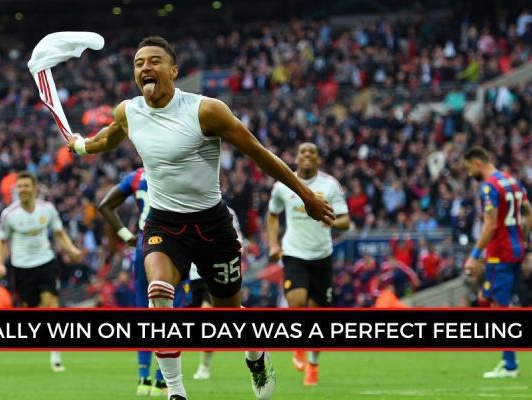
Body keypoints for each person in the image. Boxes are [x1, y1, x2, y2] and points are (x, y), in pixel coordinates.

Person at [68, 36, 334, 400]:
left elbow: (257, 152)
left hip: (212, 225)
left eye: (155, 61)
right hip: (163, 224)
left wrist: (307, 195)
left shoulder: (205, 111)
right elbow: (108, 139)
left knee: (228, 311)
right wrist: (81, 145)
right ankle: (176, 392)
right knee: (158, 293)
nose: (145, 67)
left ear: (173, 71)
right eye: (139, 62)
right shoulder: (128, 112)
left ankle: (256, 356)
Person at [97, 166, 187, 396]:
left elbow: (105, 205)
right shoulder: (177, 169)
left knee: (143, 308)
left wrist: (127, 237)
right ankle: (162, 380)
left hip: (143, 246)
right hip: (171, 245)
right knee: (172, 310)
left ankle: (143, 378)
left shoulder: (136, 176)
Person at [266, 142, 350, 386]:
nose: (306, 156)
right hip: (294, 253)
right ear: (296, 157)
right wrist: (273, 244)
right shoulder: (283, 184)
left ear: (318, 159)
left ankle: (313, 365)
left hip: (322, 256)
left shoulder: (330, 185)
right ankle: (298, 348)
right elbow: (272, 214)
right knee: (296, 301)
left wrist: (332, 221)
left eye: (312, 152)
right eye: (302, 152)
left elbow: (346, 221)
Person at [0, 171, 83, 373]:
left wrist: (71, 249)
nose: (23, 190)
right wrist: (0, 263)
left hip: (45, 262)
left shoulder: (47, 209)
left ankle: (55, 355)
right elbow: (1, 240)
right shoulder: (9, 214)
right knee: (30, 306)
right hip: (22, 266)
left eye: (26, 186)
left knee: (51, 303)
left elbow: (59, 232)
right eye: (20, 187)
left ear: (34, 188)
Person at [463, 146, 532, 379]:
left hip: (499, 254)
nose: (469, 174)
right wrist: (521, 241)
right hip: (515, 251)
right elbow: (530, 216)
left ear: (477, 163)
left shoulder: (489, 187)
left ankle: (510, 365)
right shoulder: (511, 181)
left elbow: (491, 224)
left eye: (468, 168)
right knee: (492, 300)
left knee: (498, 306)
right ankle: (509, 360)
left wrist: (475, 255)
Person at [191, 206, 243, 381]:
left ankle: (204, 367)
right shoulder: (180, 207)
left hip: (211, 270)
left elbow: (237, 240)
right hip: (188, 275)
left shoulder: (227, 212)